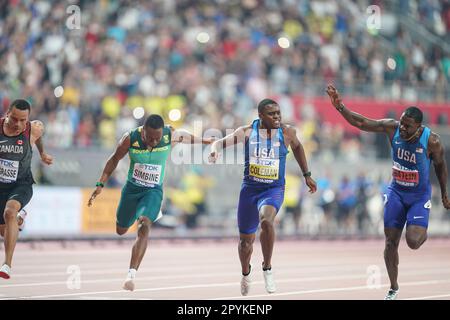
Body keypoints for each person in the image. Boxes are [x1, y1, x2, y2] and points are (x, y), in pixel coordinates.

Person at [326, 84, 450, 300]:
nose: (402, 128)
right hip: (396, 192)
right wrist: (340, 107)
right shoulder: (392, 128)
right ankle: (393, 287)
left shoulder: (432, 141)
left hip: (419, 197)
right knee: (390, 242)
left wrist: (444, 193)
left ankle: (420, 229)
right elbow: (362, 122)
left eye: (408, 126)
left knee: (412, 241)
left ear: (419, 127)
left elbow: (440, 166)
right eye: (402, 123)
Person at [87, 114, 213, 291]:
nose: (154, 142)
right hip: (132, 190)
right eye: (150, 138)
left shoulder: (168, 135)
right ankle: (133, 218)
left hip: (153, 191)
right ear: (143, 131)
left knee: (144, 226)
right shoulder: (130, 138)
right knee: (121, 230)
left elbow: (184, 135)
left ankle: (131, 275)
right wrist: (100, 184)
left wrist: (204, 141)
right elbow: (114, 159)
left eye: (157, 138)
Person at [209, 99, 317, 296]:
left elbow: (298, 147)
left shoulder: (287, 132)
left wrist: (307, 175)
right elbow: (219, 142)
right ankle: (245, 273)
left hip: (273, 190)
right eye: (271, 114)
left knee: (267, 222)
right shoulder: (247, 132)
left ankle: (267, 268)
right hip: (250, 191)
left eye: (278, 113)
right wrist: (214, 150)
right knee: (245, 244)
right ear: (260, 116)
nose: (277, 117)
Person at [0, 99, 53, 279]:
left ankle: (7, 264)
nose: (19, 124)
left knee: (9, 212)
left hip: (21, 184)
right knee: (5, 229)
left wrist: (42, 153)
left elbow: (38, 138)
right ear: (7, 113)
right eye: (15, 119)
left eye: (24, 120)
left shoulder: (34, 129)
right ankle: (20, 221)